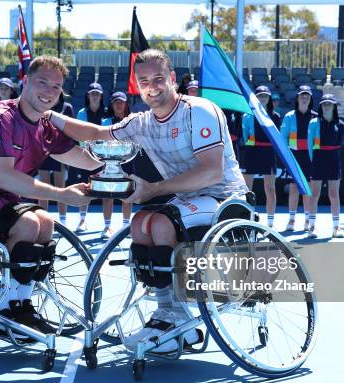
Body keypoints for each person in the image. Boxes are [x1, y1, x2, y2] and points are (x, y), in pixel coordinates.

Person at [46, 48, 248, 353]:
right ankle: (166, 312)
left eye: (157, 78)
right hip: (185, 200)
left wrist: (154, 189)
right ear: (137, 86)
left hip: (225, 199)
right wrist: (49, 117)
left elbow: (211, 171)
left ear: (172, 79)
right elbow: (97, 132)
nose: (151, 86)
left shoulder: (200, 110)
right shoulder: (141, 122)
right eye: (143, 81)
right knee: (141, 222)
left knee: (161, 220)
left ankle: (179, 318)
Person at [0, 56, 99, 340]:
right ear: (25, 82)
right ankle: (3, 310)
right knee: (27, 226)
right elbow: (6, 177)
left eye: (56, 87)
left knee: (45, 222)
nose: (48, 91)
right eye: (42, 82)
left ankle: (18, 305)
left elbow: (80, 158)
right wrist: (62, 194)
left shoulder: (45, 126)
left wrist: (117, 171)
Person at [75, 82, 114, 238]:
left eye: (97, 93)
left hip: (104, 159)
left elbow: (109, 136)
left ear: (101, 96)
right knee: (85, 190)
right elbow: (79, 137)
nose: (95, 96)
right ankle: (82, 221)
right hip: (86, 157)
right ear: (88, 95)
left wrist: (102, 153)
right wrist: (89, 152)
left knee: (106, 192)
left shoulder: (107, 114)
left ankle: (107, 226)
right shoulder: (81, 113)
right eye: (92, 93)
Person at [242, 86, 281, 228]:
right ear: (255, 98)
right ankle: (247, 220)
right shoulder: (247, 115)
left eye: (265, 95)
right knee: (247, 190)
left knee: (270, 189)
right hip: (252, 153)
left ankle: (270, 224)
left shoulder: (276, 116)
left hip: (268, 154)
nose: (263, 98)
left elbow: (278, 138)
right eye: (260, 96)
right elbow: (246, 135)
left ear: (269, 98)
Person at [280, 85, 317, 234]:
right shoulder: (289, 116)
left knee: (307, 189)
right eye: (302, 95)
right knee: (294, 189)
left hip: (309, 158)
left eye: (307, 95)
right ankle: (291, 219)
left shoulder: (315, 116)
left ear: (310, 98)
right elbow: (283, 138)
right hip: (294, 157)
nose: (304, 97)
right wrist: (287, 157)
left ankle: (308, 220)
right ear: (297, 97)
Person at [307, 94, 344, 239]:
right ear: (321, 106)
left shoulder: (340, 124)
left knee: (334, 194)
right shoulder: (313, 123)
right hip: (318, 159)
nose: (327, 106)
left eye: (329, 104)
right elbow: (310, 145)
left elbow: (339, 144)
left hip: (333, 160)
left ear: (334, 106)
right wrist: (314, 161)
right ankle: (311, 227)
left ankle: (336, 227)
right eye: (324, 104)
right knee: (314, 194)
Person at [37, 92, 74, 225]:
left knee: (61, 188)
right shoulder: (42, 106)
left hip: (61, 152)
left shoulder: (67, 107)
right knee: (43, 188)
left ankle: (63, 222)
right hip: (44, 152)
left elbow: (71, 130)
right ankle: (42, 221)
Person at [106, 91, 134, 229]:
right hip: (109, 162)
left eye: (121, 102)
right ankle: (107, 226)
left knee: (127, 195)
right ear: (112, 105)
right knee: (107, 194)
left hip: (128, 162)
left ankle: (125, 226)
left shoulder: (131, 121)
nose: (119, 105)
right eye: (116, 103)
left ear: (125, 104)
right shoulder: (105, 122)